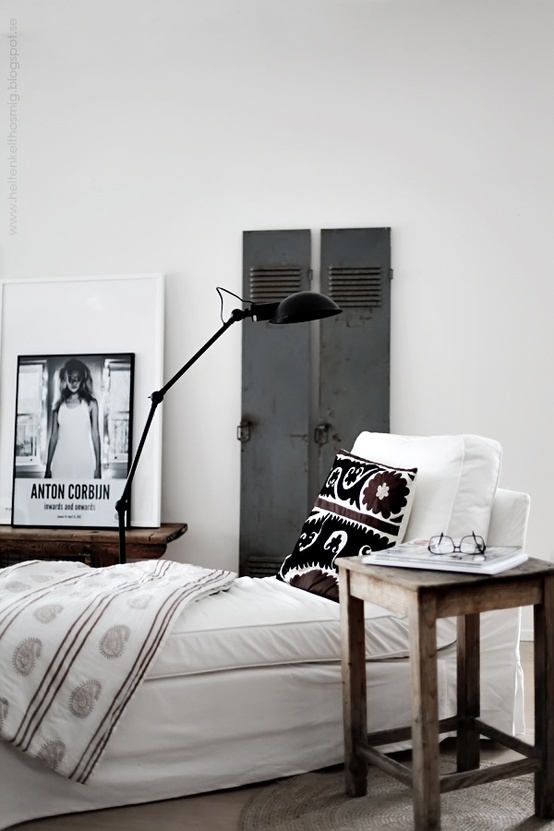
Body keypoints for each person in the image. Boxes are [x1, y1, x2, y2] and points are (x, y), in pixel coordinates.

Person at [44, 358, 102, 479]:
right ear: (65, 378)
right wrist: (48, 467)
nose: (74, 383)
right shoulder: (58, 406)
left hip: (84, 462)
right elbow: (53, 437)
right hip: (61, 463)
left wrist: (98, 466)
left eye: (77, 379)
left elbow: (95, 435)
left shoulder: (91, 404)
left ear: (82, 379)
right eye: (70, 378)